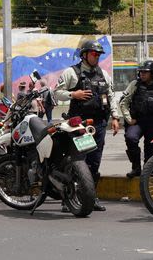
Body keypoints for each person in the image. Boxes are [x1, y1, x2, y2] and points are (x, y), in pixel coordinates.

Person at [55, 39, 120, 212]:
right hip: (78, 125)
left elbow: (111, 95)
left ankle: (91, 197)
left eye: (98, 54)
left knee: (94, 162)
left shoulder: (103, 74)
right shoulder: (71, 72)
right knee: (77, 161)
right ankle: (68, 199)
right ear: (84, 55)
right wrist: (73, 94)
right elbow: (56, 93)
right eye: (93, 54)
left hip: (98, 124)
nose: (96, 57)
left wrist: (115, 117)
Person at [118, 60, 153, 178]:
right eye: (141, 72)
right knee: (131, 138)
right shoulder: (134, 84)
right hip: (137, 120)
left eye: (145, 72)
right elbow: (123, 102)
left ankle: (150, 171)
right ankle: (136, 168)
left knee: (152, 147)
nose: (142, 74)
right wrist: (129, 119)